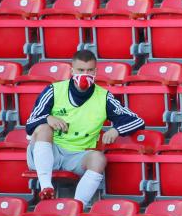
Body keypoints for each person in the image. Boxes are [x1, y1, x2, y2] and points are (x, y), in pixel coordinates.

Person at [25, 49, 145, 203]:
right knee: (43, 128)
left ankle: (78, 206)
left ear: (95, 72)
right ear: (72, 70)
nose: (84, 74)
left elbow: (136, 120)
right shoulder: (54, 90)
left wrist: (116, 130)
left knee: (99, 159)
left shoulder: (104, 97)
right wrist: (47, 118)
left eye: (89, 70)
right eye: (80, 70)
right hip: (50, 151)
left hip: (78, 155)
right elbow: (30, 122)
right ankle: (46, 187)